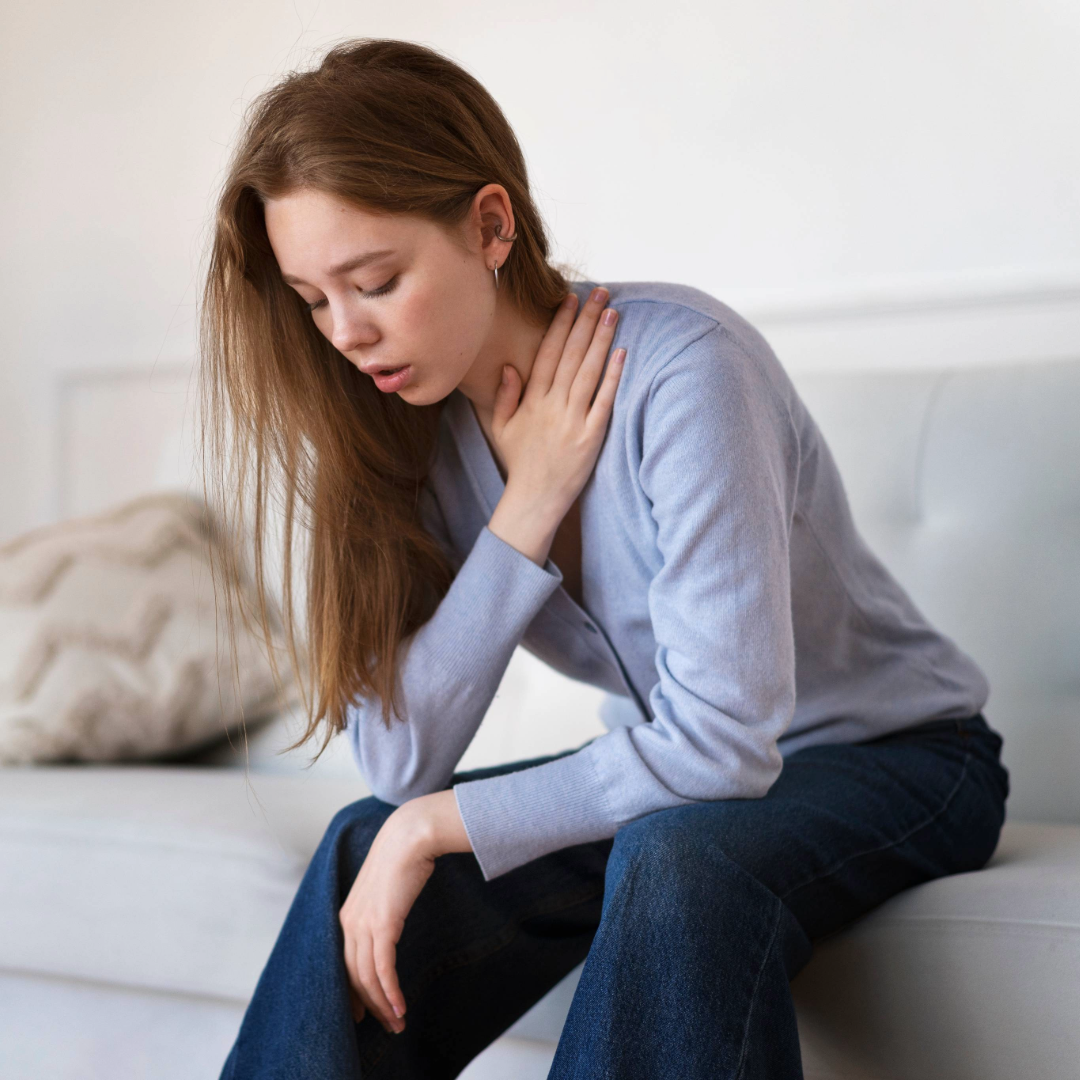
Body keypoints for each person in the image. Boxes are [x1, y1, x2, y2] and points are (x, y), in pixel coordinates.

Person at [200, 37, 1010, 1080]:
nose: (346, 334)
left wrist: (430, 833)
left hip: (901, 762)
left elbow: (722, 747)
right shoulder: (403, 428)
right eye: (315, 301)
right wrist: (524, 510)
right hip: (684, 785)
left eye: (376, 280)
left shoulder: (684, 374)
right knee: (365, 840)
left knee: (675, 858)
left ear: (490, 226)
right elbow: (400, 767)